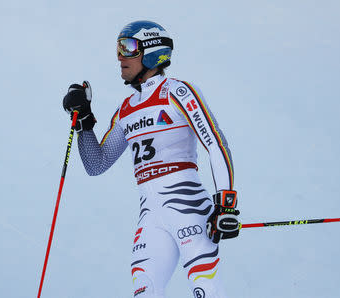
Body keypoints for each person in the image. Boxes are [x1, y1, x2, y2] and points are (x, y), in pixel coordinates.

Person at [62, 20, 240, 298]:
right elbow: (97, 164)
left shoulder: (177, 92)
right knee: (145, 291)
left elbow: (216, 143)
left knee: (205, 288)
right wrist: (84, 120)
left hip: (188, 206)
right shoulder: (126, 109)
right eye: (118, 48)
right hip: (151, 214)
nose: (120, 56)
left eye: (128, 47)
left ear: (153, 51)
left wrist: (225, 203)